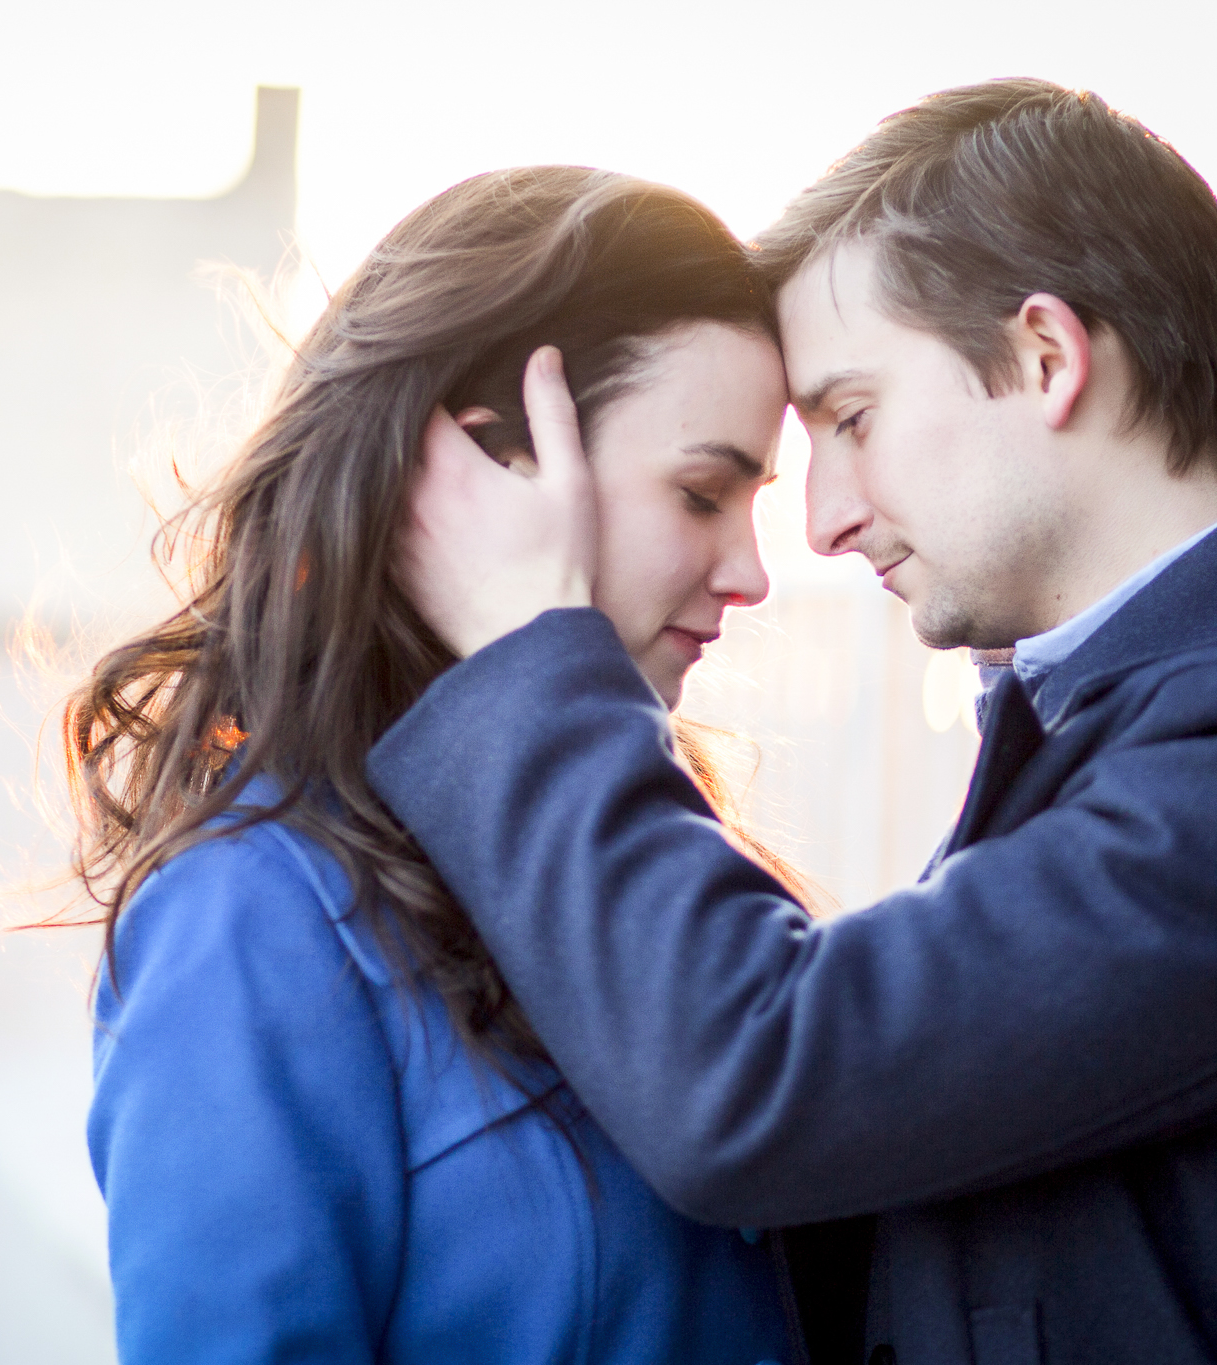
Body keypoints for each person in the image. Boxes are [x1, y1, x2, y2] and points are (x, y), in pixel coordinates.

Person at [372, 80, 1217, 1364]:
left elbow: (757, 1081)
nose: (822, 519)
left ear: (1046, 357)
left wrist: (524, 656)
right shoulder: (1153, 716)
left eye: (852, 419)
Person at [66, 166, 805, 1362]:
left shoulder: (643, 846)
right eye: (701, 493)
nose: (750, 572)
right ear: (488, 472)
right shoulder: (251, 917)